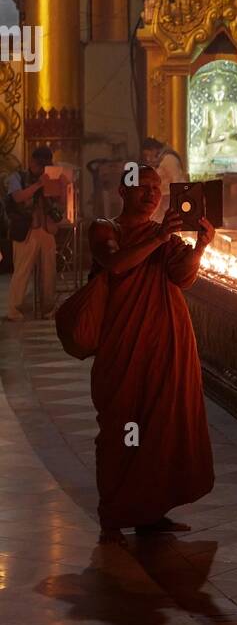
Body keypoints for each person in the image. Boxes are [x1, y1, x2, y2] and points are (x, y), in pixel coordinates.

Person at [88, 164, 215, 545]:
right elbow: (117, 265)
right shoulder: (105, 229)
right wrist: (160, 237)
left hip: (166, 340)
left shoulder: (166, 238)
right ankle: (114, 511)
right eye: (141, 187)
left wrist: (201, 246)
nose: (150, 194)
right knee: (122, 423)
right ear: (123, 191)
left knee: (160, 426)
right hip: (123, 344)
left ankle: (151, 511)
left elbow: (183, 277)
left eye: (156, 188)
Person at [5, 145, 64, 320]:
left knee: (48, 272)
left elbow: (59, 201)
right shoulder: (18, 177)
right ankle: (14, 310)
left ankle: (48, 309)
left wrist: (60, 186)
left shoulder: (52, 176)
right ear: (31, 162)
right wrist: (39, 184)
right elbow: (17, 197)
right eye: (39, 164)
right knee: (22, 272)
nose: (41, 168)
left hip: (46, 228)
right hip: (26, 229)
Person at [141, 136, 185, 223]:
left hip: (169, 201)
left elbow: (177, 181)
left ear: (154, 149)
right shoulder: (159, 160)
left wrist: (178, 203)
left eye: (148, 154)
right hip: (161, 201)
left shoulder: (169, 159)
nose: (148, 158)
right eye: (146, 156)